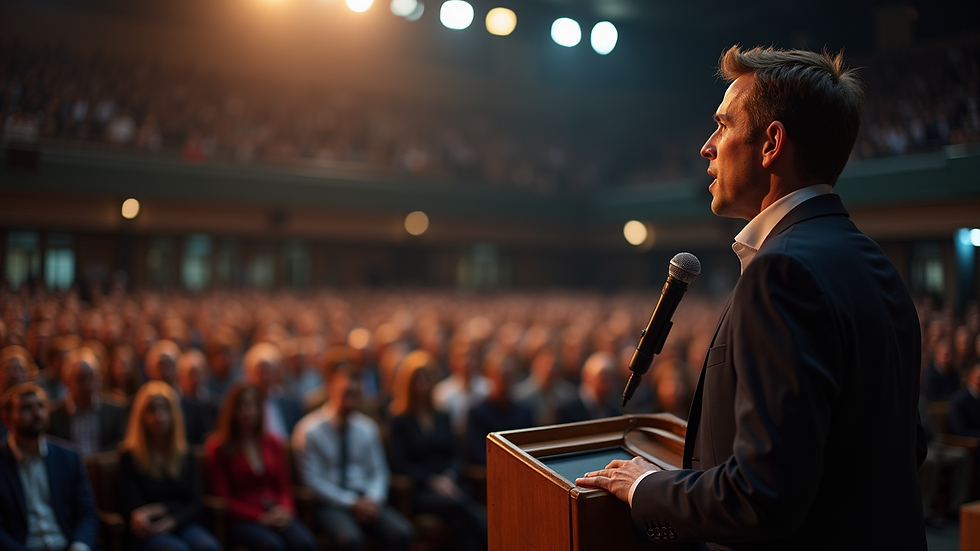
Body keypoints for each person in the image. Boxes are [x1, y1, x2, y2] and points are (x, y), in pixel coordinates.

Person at [577, 46, 926, 550]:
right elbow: (905, 447)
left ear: (771, 144)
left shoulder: (782, 271)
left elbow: (762, 495)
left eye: (722, 126)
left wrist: (646, 487)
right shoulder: (876, 264)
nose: (707, 147)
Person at [292, 363, 415, 551]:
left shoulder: (367, 428)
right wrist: (351, 503)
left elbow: (379, 471)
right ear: (331, 389)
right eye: (346, 392)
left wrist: (373, 499)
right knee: (350, 540)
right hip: (331, 503)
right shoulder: (310, 430)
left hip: (366, 498)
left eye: (356, 394)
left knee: (403, 532)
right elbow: (312, 481)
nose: (351, 399)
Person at [388, 350, 487, 551]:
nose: (423, 385)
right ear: (408, 384)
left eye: (427, 379)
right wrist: (432, 481)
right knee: (459, 504)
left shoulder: (442, 415)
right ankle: (492, 532)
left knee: (460, 521)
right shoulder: (399, 420)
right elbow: (399, 463)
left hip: (449, 482)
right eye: (418, 380)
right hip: (420, 489)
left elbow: (455, 454)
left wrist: (449, 476)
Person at [204, 383, 317, 551]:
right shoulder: (219, 447)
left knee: (305, 543)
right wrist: (260, 517)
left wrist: (286, 510)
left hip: (276, 511)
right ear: (232, 411)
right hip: (242, 518)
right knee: (273, 546)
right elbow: (224, 499)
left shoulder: (273, 443)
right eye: (242, 405)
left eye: (252, 405)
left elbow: (283, 486)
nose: (247, 411)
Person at [118, 381, 221, 551]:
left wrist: (165, 516)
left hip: (182, 522)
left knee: (209, 547)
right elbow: (134, 507)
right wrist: (165, 512)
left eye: (165, 409)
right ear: (141, 416)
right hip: (146, 530)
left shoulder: (185, 453)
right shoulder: (129, 457)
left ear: (174, 414)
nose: (159, 417)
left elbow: (195, 504)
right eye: (152, 410)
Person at [0, 383, 99, 551]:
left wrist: (79, 545)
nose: (36, 413)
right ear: (6, 419)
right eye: (26, 408)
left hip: (67, 545)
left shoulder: (69, 457)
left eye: (40, 406)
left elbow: (87, 513)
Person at [48, 347, 128, 456]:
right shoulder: (54, 416)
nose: (87, 385)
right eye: (81, 379)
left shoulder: (115, 412)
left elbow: (119, 447)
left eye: (91, 378)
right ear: (67, 381)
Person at [466, 351, 533, 464]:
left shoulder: (524, 412)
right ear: (489, 376)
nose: (502, 381)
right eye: (498, 375)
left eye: (507, 376)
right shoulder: (477, 413)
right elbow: (478, 455)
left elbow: (530, 449)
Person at [145, 340, 211, 445]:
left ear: (178, 368)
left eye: (170, 365)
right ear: (150, 369)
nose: (165, 371)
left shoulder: (194, 409)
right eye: (160, 365)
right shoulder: (142, 406)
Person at [243, 343, 303, 439]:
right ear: (249, 374)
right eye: (260, 372)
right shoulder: (243, 406)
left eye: (268, 372)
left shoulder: (290, 403)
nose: (265, 377)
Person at [554, 351, 619, 424]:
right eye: (602, 379)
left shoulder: (615, 413)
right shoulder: (566, 411)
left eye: (611, 379)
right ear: (587, 377)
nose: (607, 385)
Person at [949, 362, 980, 438]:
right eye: (979, 378)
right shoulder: (959, 401)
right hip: (970, 442)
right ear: (970, 377)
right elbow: (960, 431)